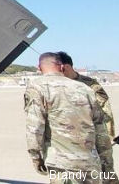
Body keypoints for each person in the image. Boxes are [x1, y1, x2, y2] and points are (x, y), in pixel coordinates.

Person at [24, 52, 112, 182]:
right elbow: (100, 129)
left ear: (39, 67)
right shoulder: (85, 88)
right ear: (61, 67)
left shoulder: (37, 88)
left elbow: (35, 127)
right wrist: (106, 162)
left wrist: (36, 157)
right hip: (90, 161)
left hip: (62, 164)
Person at [57, 51, 118, 183]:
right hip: (69, 142)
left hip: (96, 138)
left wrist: (106, 137)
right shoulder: (56, 87)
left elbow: (105, 113)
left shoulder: (90, 85)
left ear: (65, 67)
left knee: (106, 173)